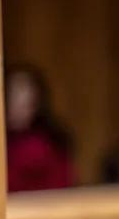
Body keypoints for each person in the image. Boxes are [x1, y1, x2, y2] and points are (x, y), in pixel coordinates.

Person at [5, 65, 76, 194]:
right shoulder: (0, 142)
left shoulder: (46, 145)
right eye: (12, 100)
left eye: (26, 104)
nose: (17, 110)